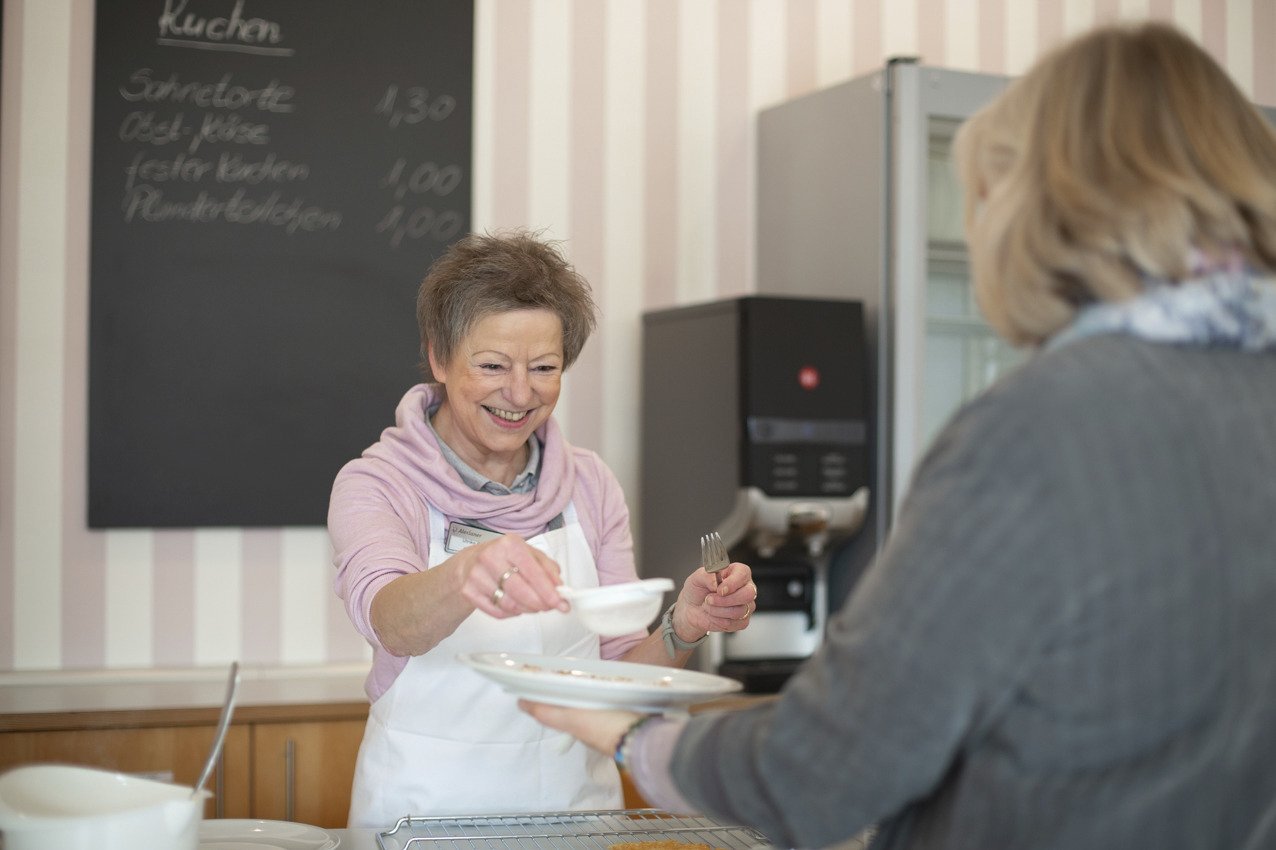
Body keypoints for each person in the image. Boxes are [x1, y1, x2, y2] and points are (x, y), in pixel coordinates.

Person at [522, 21, 1276, 850]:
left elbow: (824, 767)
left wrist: (633, 736)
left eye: (986, 200)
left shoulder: (1039, 429)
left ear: (1044, 210)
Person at [329, 230, 757, 826]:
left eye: (544, 367)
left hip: (576, 817)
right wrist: (465, 575)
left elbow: (616, 676)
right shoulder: (377, 482)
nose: (520, 393)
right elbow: (390, 623)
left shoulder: (590, 483)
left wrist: (684, 627)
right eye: (492, 366)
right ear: (439, 358)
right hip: (424, 821)